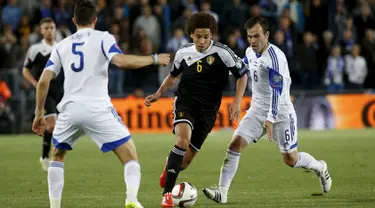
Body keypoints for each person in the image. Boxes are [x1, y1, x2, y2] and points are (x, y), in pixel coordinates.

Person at [31, 1, 170, 208]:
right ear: (95, 20)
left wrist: (39, 114)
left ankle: (55, 206)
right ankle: (131, 199)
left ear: (74, 20)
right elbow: (121, 62)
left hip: (69, 110)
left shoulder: (62, 45)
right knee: (130, 155)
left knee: (57, 156)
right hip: (98, 108)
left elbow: (43, 81)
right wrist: (154, 58)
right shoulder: (104, 37)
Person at [202, 17, 332, 203]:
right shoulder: (249, 51)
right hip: (257, 110)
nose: (252, 41)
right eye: (249, 36)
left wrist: (271, 118)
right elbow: (242, 68)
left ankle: (320, 167)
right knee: (235, 145)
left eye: (256, 36)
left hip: (281, 113)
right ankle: (222, 192)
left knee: (290, 159)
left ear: (267, 35)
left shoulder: (274, 58)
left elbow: (277, 91)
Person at [144, 12, 249, 208]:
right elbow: (173, 77)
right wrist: (159, 93)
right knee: (182, 140)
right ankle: (167, 195)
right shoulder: (184, 53)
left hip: (208, 113)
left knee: (183, 162)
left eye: (206, 37)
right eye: (198, 36)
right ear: (191, 34)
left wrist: (236, 101)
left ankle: (170, 168)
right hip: (186, 103)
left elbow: (242, 75)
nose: (202, 41)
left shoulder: (223, 53)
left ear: (212, 36)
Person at [23, 17, 63, 171]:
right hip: (47, 93)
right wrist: (35, 84)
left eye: (52, 27)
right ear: (41, 30)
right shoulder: (35, 49)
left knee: (60, 126)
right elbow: (25, 69)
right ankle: (47, 157)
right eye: (46, 28)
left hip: (62, 91)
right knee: (51, 125)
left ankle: (49, 156)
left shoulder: (61, 47)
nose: (49, 30)